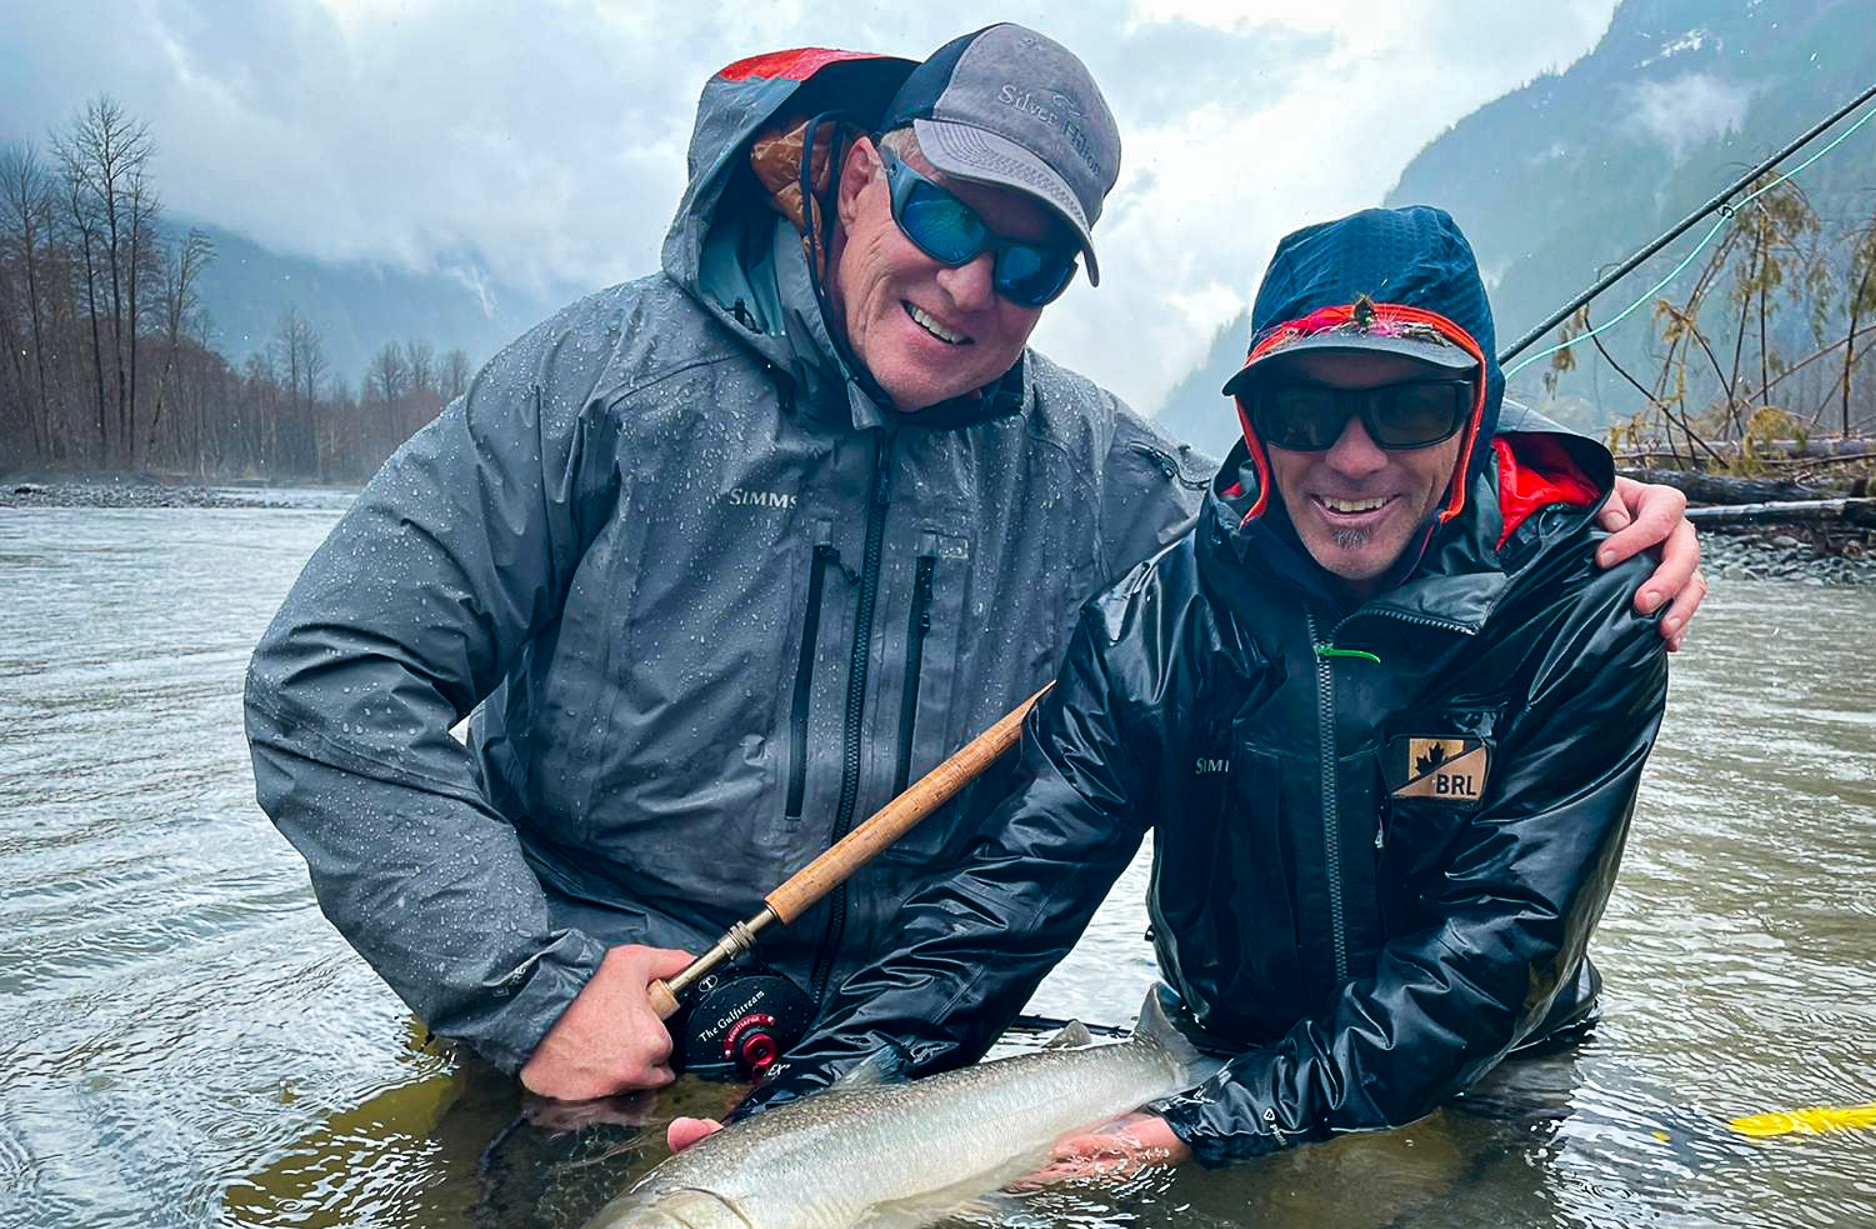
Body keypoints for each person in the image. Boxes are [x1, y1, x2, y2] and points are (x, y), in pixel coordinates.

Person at [245, 26, 1700, 1106]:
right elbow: (330, 682)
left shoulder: (1113, 482)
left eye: (1031, 266)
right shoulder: (597, 381)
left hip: (891, 1050)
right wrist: (524, 986)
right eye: (946, 217)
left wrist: (1580, 514)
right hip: (577, 1031)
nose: (968, 285)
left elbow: (1330, 532)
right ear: (849, 176)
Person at [710, 205, 1669, 1172]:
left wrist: (1217, 1124)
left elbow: (1504, 941)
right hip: (1208, 1052)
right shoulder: (1150, 624)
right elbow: (1007, 899)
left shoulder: (1586, 611)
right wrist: (800, 1112)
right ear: (1254, 418)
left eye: (1410, 406)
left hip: (1488, 1069)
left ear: (1476, 411)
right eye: (1304, 408)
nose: (1352, 456)